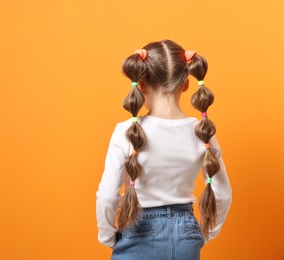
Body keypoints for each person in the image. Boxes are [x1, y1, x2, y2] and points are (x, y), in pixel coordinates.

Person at [95, 39, 232, 260]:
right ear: (186, 84)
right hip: (186, 235)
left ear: (141, 84)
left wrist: (108, 237)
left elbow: (107, 196)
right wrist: (203, 234)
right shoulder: (203, 131)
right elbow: (223, 194)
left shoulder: (125, 131)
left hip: (137, 230)